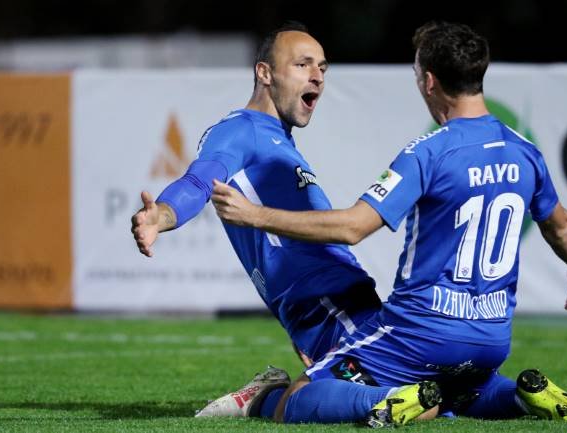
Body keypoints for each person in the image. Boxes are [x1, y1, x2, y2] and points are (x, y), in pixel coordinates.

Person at [211, 21, 567, 425]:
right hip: (492, 339)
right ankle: (520, 397)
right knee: (464, 390)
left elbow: (353, 227)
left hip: (420, 335)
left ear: (429, 82)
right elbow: (562, 225)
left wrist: (254, 215)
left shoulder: (428, 152)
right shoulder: (524, 150)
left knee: (297, 399)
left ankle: (378, 398)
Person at [130, 22, 382, 417]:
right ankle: (264, 401)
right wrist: (162, 214)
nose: (317, 76)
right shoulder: (241, 130)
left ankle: (283, 392)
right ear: (264, 73)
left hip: (343, 300)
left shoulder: (279, 138)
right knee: (407, 398)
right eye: (303, 64)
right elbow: (198, 181)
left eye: (322, 68)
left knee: (431, 393)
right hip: (328, 304)